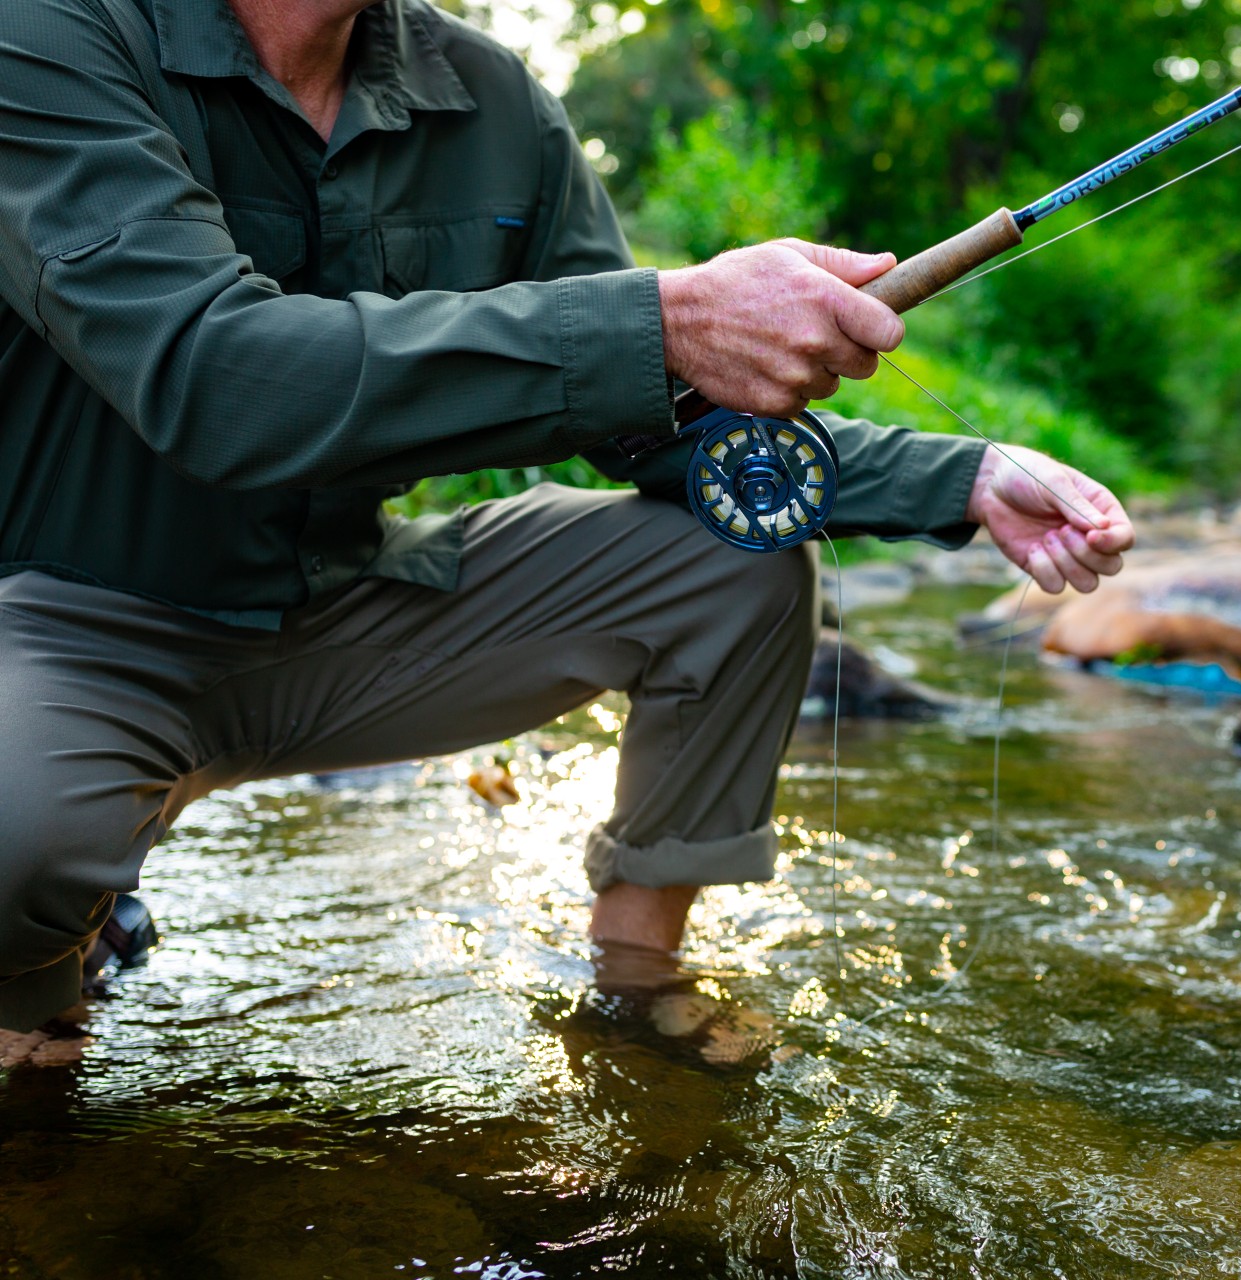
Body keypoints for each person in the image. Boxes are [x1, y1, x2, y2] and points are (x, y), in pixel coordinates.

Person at [0, 0, 1134, 1061]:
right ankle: (45, 988)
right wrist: (666, 314)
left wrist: (966, 476)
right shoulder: (42, 40)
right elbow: (222, 379)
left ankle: (634, 987)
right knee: (18, 847)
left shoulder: (490, 98)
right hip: (63, 625)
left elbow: (656, 412)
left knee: (726, 563)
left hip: (345, 611)